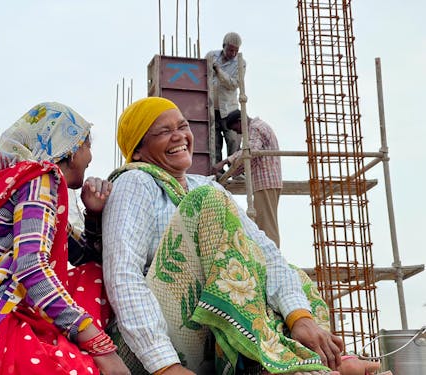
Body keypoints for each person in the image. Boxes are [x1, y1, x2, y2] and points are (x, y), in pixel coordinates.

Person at [102, 97, 384, 375]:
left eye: (182, 126)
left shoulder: (205, 185)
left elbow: (265, 251)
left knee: (288, 273)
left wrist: (300, 317)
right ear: (138, 150)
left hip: (209, 339)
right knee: (207, 203)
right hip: (153, 348)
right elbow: (123, 275)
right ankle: (283, 366)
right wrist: (164, 365)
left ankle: (319, 359)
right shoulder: (135, 181)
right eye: (164, 132)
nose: (179, 136)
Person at [0, 102, 130, 375]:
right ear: (69, 149)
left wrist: (92, 216)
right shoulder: (40, 179)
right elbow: (31, 267)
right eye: (86, 144)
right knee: (93, 278)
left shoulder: (16, 183)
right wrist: (98, 343)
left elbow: (78, 253)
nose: (90, 155)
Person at [212, 110, 282, 249]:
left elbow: (250, 151)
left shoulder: (255, 128)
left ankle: (272, 261)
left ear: (240, 121)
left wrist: (225, 161)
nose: (237, 133)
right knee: (262, 223)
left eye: (235, 129)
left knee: (266, 226)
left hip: (265, 181)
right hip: (265, 182)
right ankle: (268, 258)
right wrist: (230, 172)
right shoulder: (255, 129)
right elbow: (248, 160)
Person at [205, 32, 245, 165]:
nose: (233, 53)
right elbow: (202, 75)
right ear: (224, 46)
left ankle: (236, 171)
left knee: (234, 140)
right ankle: (218, 172)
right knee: (214, 143)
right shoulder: (211, 56)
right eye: (230, 50)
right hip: (211, 108)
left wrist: (218, 71)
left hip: (229, 110)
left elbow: (233, 84)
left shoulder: (240, 63)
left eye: (236, 50)